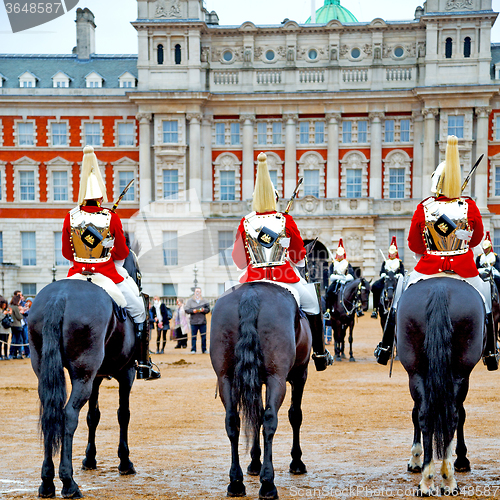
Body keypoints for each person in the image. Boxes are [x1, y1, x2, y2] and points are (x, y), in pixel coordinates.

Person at [374, 135, 496, 369]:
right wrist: (461, 239)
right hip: (465, 270)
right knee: (487, 296)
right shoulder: (469, 206)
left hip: (428, 269)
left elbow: (413, 244)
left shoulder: (424, 207)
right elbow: (478, 239)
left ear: (436, 183)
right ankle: (490, 352)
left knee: (400, 294)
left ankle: (386, 346)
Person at [62, 145, 160, 380]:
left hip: (76, 274)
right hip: (107, 275)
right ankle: (143, 362)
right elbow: (122, 253)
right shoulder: (111, 217)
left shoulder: (70, 216)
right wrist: (105, 245)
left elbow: (67, 252)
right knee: (139, 310)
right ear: (100, 195)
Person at [231, 152, 333, 371]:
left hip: (252, 278)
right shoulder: (284, 220)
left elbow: (239, 261)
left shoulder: (245, 222)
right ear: (274, 200)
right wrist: (284, 246)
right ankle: (320, 353)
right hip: (284, 277)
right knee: (313, 304)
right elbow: (298, 255)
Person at [370, 237, 405, 319]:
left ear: (396, 253)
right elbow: (381, 272)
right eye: (390, 253)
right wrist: (384, 274)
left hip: (395, 280)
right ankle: (375, 309)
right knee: (375, 286)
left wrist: (398, 275)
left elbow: (402, 273)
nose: (392, 254)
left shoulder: (399, 262)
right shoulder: (386, 262)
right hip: (386, 280)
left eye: (393, 253)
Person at [328, 240, 359, 314]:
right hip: (336, 282)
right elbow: (330, 275)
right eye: (339, 254)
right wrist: (338, 277)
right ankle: (328, 310)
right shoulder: (333, 263)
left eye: (341, 254)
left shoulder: (347, 263)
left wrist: (345, 278)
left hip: (345, 281)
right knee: (329, 292)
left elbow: (352, 275)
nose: (340, 256)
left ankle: (356, 308)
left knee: (355, 292)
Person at [185, 288, 210, 354]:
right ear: (194, 292)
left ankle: (204, 349)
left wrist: (203, 310)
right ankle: (193, 349)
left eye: (199, 291)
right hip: (194, 322)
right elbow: (186, 310)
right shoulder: (190, 301)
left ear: (201, 292)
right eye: (196, 291)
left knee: (203, 337)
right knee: (193, 337)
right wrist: (192, 311)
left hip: (202, 322)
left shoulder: (204, 300)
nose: (197, 293)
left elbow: (208, 309)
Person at [9, 294, 24, 360]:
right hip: (17, 325)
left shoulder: (11, 306)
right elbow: (19, 317)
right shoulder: (15, 307)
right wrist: (21, 313)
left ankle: (13, 353)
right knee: (19, 340)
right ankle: (19, 353)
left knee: (13, 340)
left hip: (12, 325)